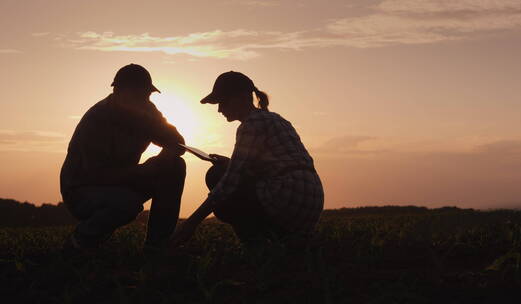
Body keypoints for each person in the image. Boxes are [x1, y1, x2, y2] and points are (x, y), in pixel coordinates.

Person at [171, 71, 324, 246]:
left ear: (240, 97)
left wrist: (191, 224)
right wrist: (231, 163)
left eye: (222, 102)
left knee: (217, 176)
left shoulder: (251, 123)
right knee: (226, 172)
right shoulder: (275, 118)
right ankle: (284, 240)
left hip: (287, 196)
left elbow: (230, 182)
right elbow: (274, 165)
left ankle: (257, 248)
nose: (220, 109)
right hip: (311, 199)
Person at [60, 64, 186, 255]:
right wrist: (142, 171)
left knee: (175, 166)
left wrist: (164, 157)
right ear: (119, 92)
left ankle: (157, 245)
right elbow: (96, 175)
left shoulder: (147, 113)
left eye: (147, 95)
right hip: (82, 191)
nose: (145, 100)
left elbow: (177, 143)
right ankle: (80, 240)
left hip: (122, 183)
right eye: (140, 95)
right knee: (126, 203)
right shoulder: (96, 119)